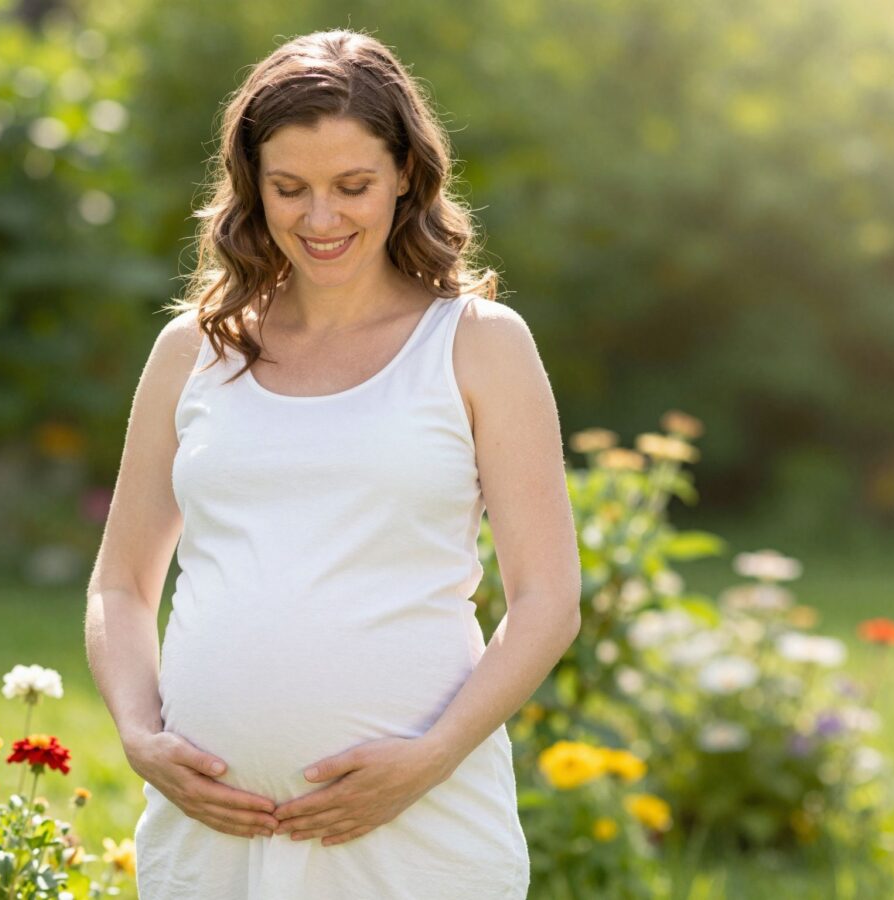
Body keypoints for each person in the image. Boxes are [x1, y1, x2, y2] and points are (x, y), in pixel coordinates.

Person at [84, 28, 581, 900]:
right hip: (209, 840)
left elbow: (547, 600)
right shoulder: (193, 351)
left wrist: (430, 758)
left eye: (353, 186)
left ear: (406, 175)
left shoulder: (477, 345)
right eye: (290, 189)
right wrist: (138, 736)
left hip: (415, 834)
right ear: (252, 185)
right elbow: (120, 585)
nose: (320, 219)